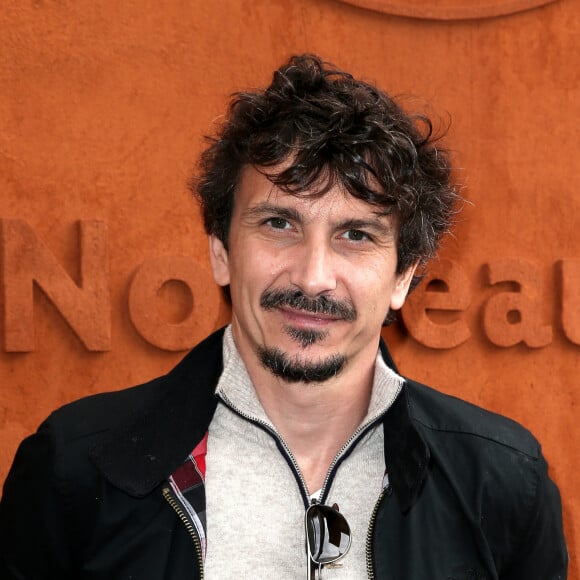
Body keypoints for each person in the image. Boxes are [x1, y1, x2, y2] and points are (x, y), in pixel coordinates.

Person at [0, 54, 567, 580]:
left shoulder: (502, 482)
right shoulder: (72, 468)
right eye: (279, 224)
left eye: (356, 234)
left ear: (402, 277)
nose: (313, 275)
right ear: (221, 251)